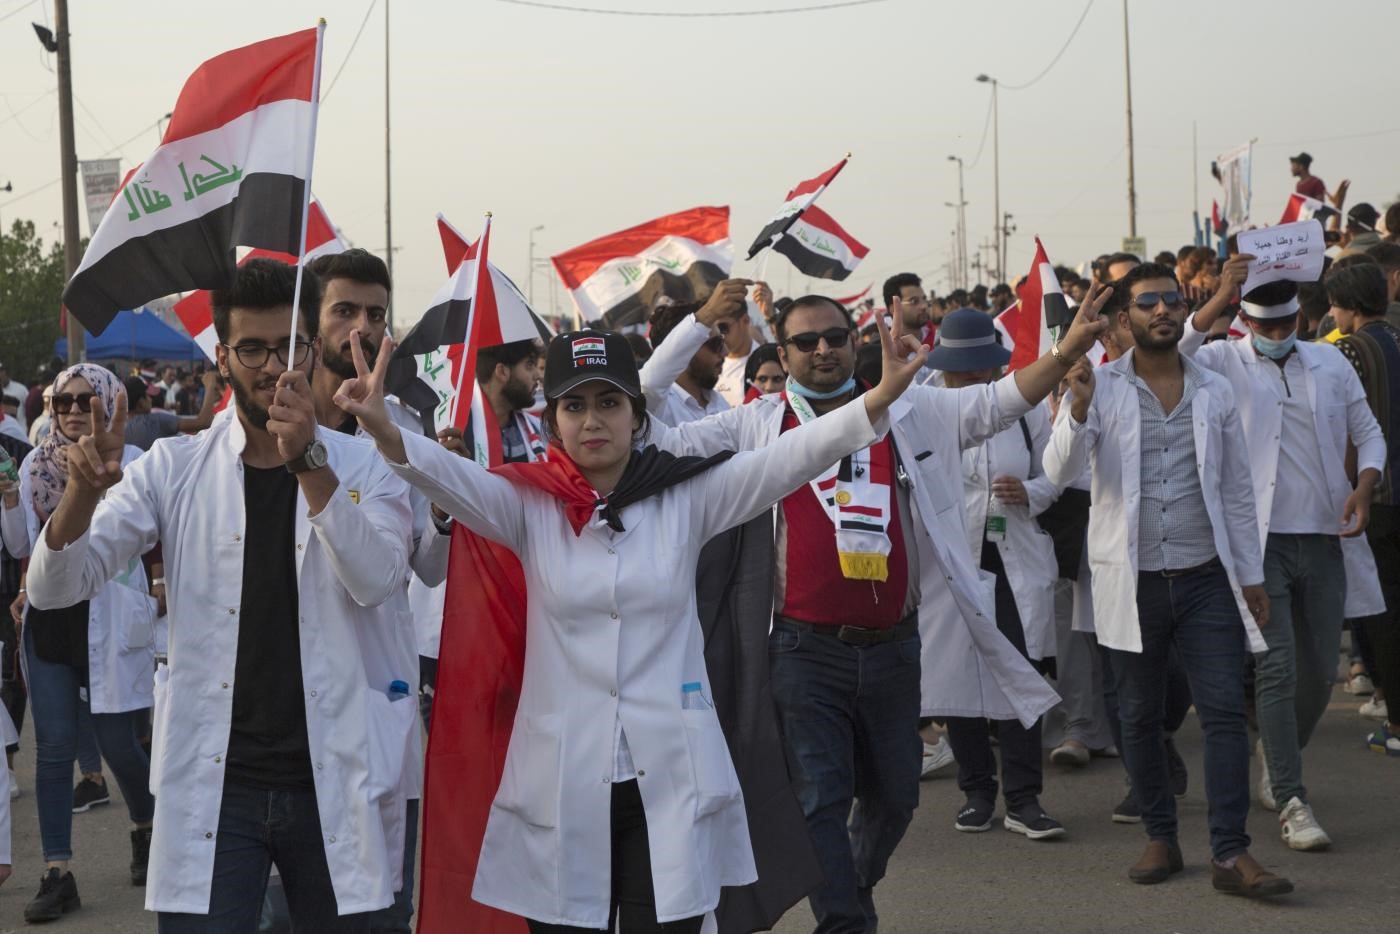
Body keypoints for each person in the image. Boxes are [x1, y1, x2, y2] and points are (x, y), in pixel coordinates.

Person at [333, 312, 932, 934]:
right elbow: (444, 475)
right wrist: (379, 423)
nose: (593, 421)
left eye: (610, 402)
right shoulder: (525, 506)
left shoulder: (689, 496)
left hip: (670, 779)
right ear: (552, 422)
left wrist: (881, 397)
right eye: (575, 406)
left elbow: (792, 456)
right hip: (561, 784)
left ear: (637, 415)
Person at [637, 287, 1108, 931]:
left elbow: (997, 402)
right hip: (802, 650)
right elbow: (643, 424)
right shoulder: (753, 423)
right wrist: (695, 324)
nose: (824, 349)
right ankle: (845, 921)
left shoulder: (909, 408)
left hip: (894, 646)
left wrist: (1064, 351)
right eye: (806, 341)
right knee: (821, 797)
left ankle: (849, 887)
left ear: (855, 340)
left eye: (835, 336)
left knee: (896, 797)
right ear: (783, 351)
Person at [25, 259, 417, 931]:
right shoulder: (176, 470)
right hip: (217, 786)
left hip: (335, 779)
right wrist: (82, 499)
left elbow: (377, 579)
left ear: (309, 345)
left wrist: (310, 466)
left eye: (287, 345)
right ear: (223, 356)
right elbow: (56, 587)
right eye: (252, 349)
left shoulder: (367, 463)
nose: (272, 367)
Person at [1044, 262, 1293, 898]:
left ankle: (1231, 852)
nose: (1162, 310)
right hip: (1132, 582)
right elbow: (1058, 471)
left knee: (1223, 716)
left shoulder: (1211, 388)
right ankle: (1160, 833)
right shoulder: (1098, 386)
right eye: (1147, 301)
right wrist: (1074, 408)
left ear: (1184, 311)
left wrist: (1250, 574)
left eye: (1171, 300)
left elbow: (1237, 489)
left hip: (1207, 576)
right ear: (1123, 319)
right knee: (1137, 714)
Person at [1180, 278, 1385, 847]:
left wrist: (1364, 489)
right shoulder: (1222, 360)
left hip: (1324, 536)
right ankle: (1293, 801)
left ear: (1300, 316)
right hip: (1259, 542)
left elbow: (1368, 433)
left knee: (1321, 672)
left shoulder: (1330, 362)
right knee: (1278, 667)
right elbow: (1174, 352)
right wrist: (1218, 296)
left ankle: (1278, 749)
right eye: (1264, 325)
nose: (1275, 334)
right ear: (1245, 320)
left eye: (1285, 324)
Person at [303, 247, 451, 934]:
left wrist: (446, 507)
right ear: (313, 322)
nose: (360, 327)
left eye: (375, 314)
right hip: (293, 722)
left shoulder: (403, 432)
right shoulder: (266, 431)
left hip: (378, 705)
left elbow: (427, 568)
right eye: (344, 311)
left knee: (382, 913)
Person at [1, 364, 157, 923]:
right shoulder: (36, 464)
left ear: (108, 402)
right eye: (62, 401)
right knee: (55, 749)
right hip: (51, 621)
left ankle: (145, 825)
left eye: (84, 400)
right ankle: (57, 871)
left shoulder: (132, 464)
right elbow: (22, 544)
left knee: (119, 744)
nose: (71, 410)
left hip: (108, 615)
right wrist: (12, 502)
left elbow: (136, 538)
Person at [929, 310, 1065, 840]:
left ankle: (1025, 799)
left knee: (1019, 672)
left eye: (979, 370)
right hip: (953, 558)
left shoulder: (1022, 406)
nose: (971, 380)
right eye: (960, 371)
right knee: (957, 674)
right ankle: (977, 792)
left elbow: (1054, 470)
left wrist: (1029, 493)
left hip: (1012, 554)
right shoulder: (926, 407)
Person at [1327, 261, 1400, 758]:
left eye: (1334, 303)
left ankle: (1395, 718)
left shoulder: (1348, 351)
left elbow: (1349, 429)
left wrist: (1346, 488)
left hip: (1375, 496)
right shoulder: (1396, 338)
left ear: (1351, 307)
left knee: (1382, 613)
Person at [644, 280, 751, 426]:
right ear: (683, 349)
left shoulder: (719, 403)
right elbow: (648, 383)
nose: (725, 352)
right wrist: (709, 312)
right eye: (715, 344)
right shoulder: (656, 407)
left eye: (722, 341)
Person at [122, 372, 220, 451]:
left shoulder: (118, 429)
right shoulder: (154, 420)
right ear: (141, 403)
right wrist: (210, 386)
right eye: (147, 396)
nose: (151, 399)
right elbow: (203, 422)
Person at [714, 282, 762, 408]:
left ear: (745, 321)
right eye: (714, 329)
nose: (720, 335)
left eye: (723, 327)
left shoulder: (764, 363)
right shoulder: (709, 363)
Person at [0, 365, 28, 434]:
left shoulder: (21, 389)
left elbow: (29, 409)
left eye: (1, 371)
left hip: (20, 430)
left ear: (6, 373)